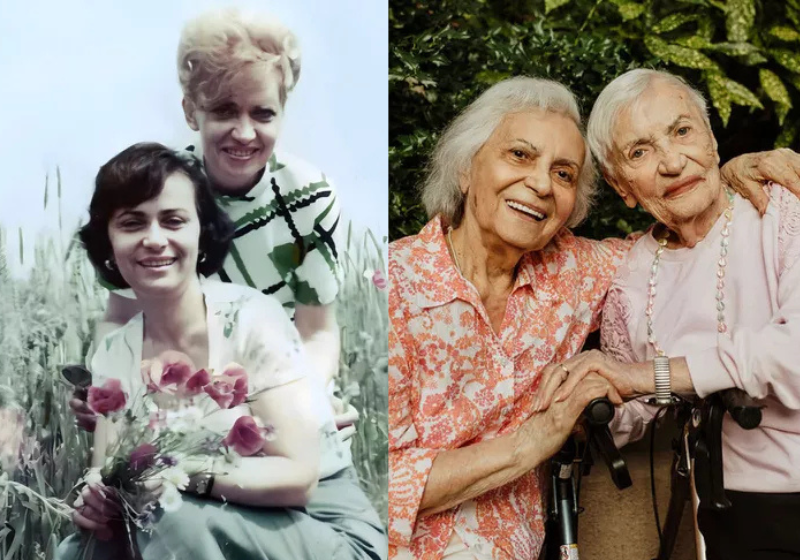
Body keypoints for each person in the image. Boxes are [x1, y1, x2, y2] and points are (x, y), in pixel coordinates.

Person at [388, 75, 800, 560]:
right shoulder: (385, 286)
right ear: (465, 169)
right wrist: (538, 436)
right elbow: (355, 482)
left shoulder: (577, 273)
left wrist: (731, 169)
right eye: (519, 155)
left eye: (563, 173)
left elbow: (692, 241)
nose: (541, 183)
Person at [55, 143, 386, 560]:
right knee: (84, 550)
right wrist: (97, 497)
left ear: (201, 231)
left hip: (321, 530)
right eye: (132, 223)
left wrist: (181, 471)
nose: (154, 240)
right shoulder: (112, 356)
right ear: (108, 238)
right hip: (203, 524)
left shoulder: (251, 319)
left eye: (173, 220)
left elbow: (300, 477)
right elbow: (114, 474)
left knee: (171, 516)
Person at [536, 68, 800, 559]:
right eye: (640, 152)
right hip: (728, 510)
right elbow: (636, 405)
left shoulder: (783, 207)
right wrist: (583, 403)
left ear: (713, 141)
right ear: (623, 188)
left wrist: (646, 375)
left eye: (682, 131)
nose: (673, 162)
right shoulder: (634, 273)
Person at [71, 8, 353, 433]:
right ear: (191, 112)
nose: (244, 133)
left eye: (263, 113)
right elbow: (121, 316)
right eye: (223, 111)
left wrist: (302, 399)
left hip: (279, 383)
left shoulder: (311, 198)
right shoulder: (155, 190)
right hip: (176, 396)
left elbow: (316, 333)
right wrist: (109, 390)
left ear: (282, 111)